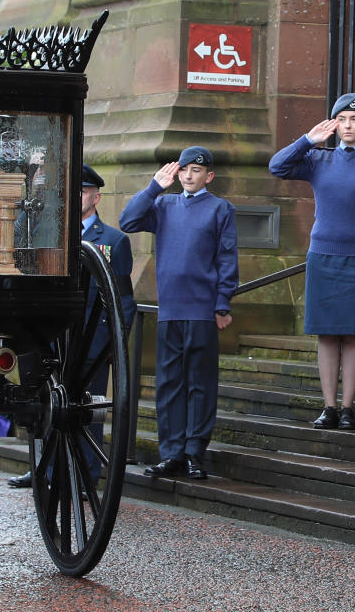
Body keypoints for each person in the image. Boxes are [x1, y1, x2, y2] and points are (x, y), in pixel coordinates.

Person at [269, 94, 355, 430]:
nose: (349, 126)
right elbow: (277, 166)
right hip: (324, 255)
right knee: (326, 334)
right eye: (343, 119)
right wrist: (307, 140)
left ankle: (348, 407)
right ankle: (328, 406)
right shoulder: (317, 159)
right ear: (334, 124)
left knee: (353, 334)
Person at [7, 164, 137, 488]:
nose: (76, 197)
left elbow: (124, 298)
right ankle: (44, 470)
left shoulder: (113, 240)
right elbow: (18, 238)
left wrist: (115, 343)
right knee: (46, 405)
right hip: (53, 337)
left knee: (88, 411)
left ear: (96, 196)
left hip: (91, 340)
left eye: (82, 191)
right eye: (70, 191)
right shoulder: (51, 232)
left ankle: (84, 476)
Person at [119, 146, 238, 480]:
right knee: (169, 383)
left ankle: (194, 453)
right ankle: (170, 452)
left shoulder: (220, 209)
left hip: (202, 309)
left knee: (200, 383)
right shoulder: (163, 204)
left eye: (196, 171)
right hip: (170, 308)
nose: (188, 176)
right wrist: (154, 187)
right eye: (183, 170)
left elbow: (226, 258)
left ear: (209, 176)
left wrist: (222, 302)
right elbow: (128, 221)